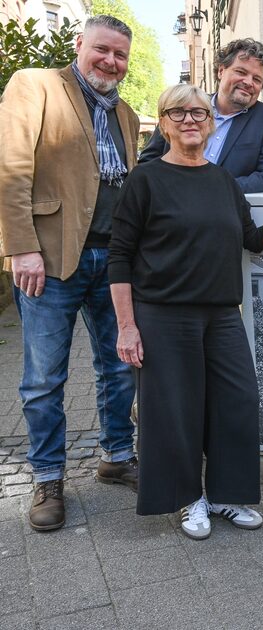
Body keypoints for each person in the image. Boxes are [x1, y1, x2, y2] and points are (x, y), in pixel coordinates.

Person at [108, 84, 263, 540]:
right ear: (164, 124)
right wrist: (127, 326)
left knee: (236, 403)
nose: (190, 120)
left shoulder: (221, 179)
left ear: (210, 124)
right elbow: (120, 256)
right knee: (175, 410)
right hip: (164, 315)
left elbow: (253, 238)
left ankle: (226, 494)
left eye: (199, 114)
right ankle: (189, 499)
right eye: (179, 113)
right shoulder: (144, 179)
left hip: (222, 314)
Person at [0, 15, 140, 532]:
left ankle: (116, 456)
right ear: (79, 45)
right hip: (51, 260)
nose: (111, 62)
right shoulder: (35, 85)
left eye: (121, 56)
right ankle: (48, 477)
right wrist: (21, 249)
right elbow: (11, 168)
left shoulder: (125, 112)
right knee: (42, 378)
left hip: (114, 262)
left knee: (120, 365)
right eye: (102, 50)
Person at [139, 39, 263, 193]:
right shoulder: (185, 105)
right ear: (221, 71)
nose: (248, 82)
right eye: (241, 72)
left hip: (224, 210)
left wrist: (210, 186)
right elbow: (147, 162)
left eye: (256, 79)